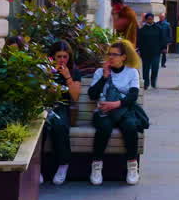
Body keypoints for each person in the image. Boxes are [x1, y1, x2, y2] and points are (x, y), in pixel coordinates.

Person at [87, 41, 143, 185]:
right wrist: (104, 77)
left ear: (123, 57)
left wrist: (115, 104)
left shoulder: (132, 72)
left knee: (130, 127)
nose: (111, 57)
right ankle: (97, 166)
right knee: (104, 128)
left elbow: (133, 96)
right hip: (103, 112)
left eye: (115, 55)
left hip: (123, 111)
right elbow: (92, 95)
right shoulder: (100, 72)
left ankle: (132, 167)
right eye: (109, 54)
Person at [43, 40, 81, 186]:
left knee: (59, 126)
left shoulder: (73, 71)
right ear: (52, 57)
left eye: (65, 56)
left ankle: (63, 164)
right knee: (42, 128)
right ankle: (37, 169)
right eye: (59, 56)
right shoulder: (46, 69)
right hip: (45, 105)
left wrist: (67, 77)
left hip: (62, 105)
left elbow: (75, 96)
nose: (62, 60)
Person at [136, 12, 165, 90]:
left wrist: (163, 48)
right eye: (148, 19)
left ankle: (153, 82)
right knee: (146, 69)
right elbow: (139, 41)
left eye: (151, 19)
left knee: (155, 68)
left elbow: (162, 39)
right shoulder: (142, 30)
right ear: (146, 20)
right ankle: (146, 83)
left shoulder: (158, 28)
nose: (150, 20)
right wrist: (138, 49)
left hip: (156, 52)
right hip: (145, 53)